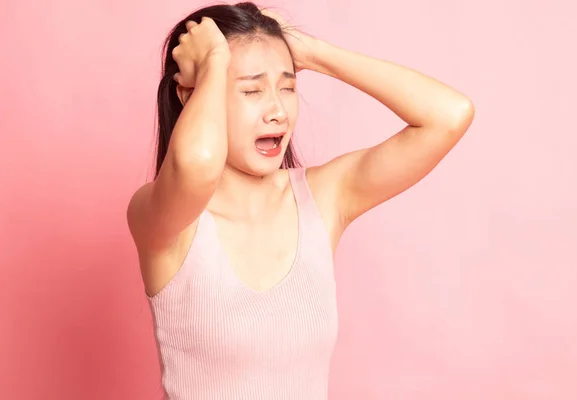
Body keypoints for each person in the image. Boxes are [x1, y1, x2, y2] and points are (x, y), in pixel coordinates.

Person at [126, 1, 474, 399]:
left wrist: (310, 52)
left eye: (288, 88)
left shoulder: (323, 197)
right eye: (251, 89)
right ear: (191, 94)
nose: (277, 111)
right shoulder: (163, 217)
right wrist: (213, 61)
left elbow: (449, 115)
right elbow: (198, 163)